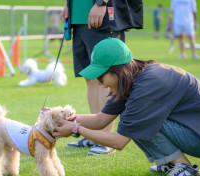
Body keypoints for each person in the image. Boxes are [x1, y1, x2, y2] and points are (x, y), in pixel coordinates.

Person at [53, 38, 200, 176]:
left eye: (101, 77)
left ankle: (184, 168)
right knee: (133, 119)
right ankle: (169, 162)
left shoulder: (146, 86)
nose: (100, 83)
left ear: (117, 70)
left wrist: (77, 129)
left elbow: (119, 142)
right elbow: (101, 119)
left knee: (132, 119)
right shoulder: (134, 77)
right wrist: (62, 117)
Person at [60, 0, 143, 155]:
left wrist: (101, 3)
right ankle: (94, 135)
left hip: (101, 14)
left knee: (106, 77)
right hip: (79, 18)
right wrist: (67, 5)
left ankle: (105, 137)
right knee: (91, 79)